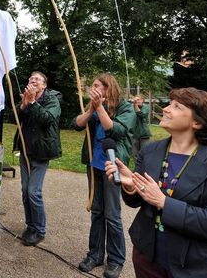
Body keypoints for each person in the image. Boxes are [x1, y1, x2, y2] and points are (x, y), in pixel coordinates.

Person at [105, 88, 207, 278]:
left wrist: (164, 202)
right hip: (148, 261)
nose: (166, 109)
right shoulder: (150, 152)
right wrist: (131, 186)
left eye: (177, 106)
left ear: (197, 122)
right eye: (170, 103)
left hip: (197, 268)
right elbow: (137, 202)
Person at [73, 73, 135, 278]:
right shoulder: (94, 105)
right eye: (93, 85)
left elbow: (115, 130)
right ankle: (95, 254)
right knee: (97, 211)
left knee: (112, 214)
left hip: (113, 164)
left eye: (98, 85)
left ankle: (116, 260)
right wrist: (92, 108)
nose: (94, 88)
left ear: (109, 88)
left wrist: (99, 108)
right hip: (94, 164)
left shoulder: (125, 107)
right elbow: (77, 123)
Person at [12, 71, 61, 246]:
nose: (33, 80)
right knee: (25, 191)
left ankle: (39, 230)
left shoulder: (52, 100)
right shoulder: (27, 98)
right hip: (26, 151)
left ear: (44, 85)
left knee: (34, 192)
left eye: (37, 79)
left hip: (41, 152)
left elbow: (47, 120)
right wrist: (24, 105)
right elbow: (15, 117)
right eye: (31, 78)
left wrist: (32, 102)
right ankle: (30, 225)